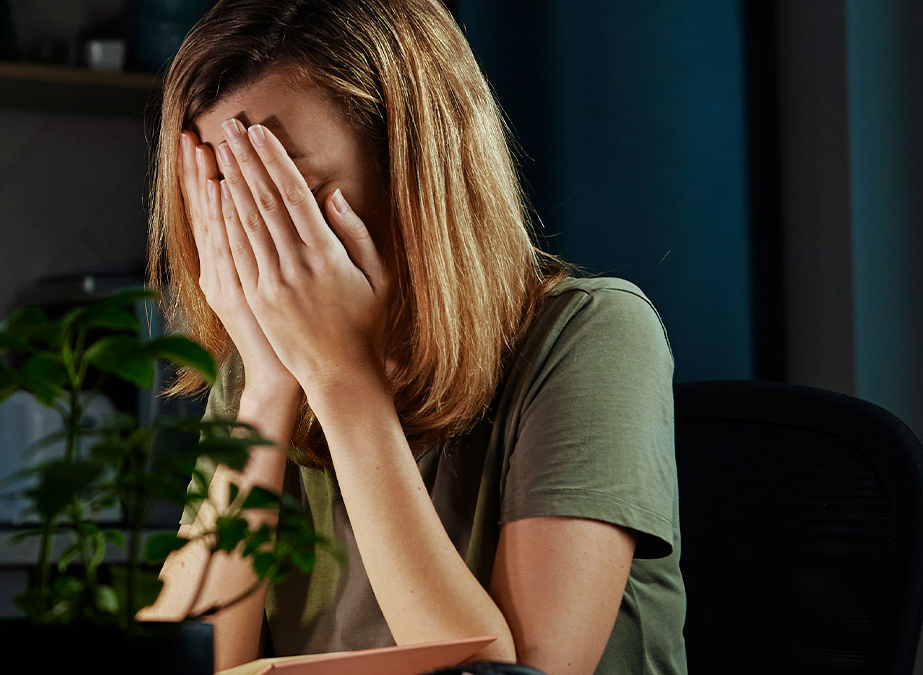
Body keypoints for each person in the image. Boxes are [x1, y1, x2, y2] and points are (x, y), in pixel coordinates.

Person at [139, 1, 687, 673]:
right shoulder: (260, 364)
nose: (262, 247)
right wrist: (270, 388)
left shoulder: (595, 333)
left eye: (288, 196)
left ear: (419, 171)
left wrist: (344, 381)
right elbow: (191, 660)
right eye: (234, 202)